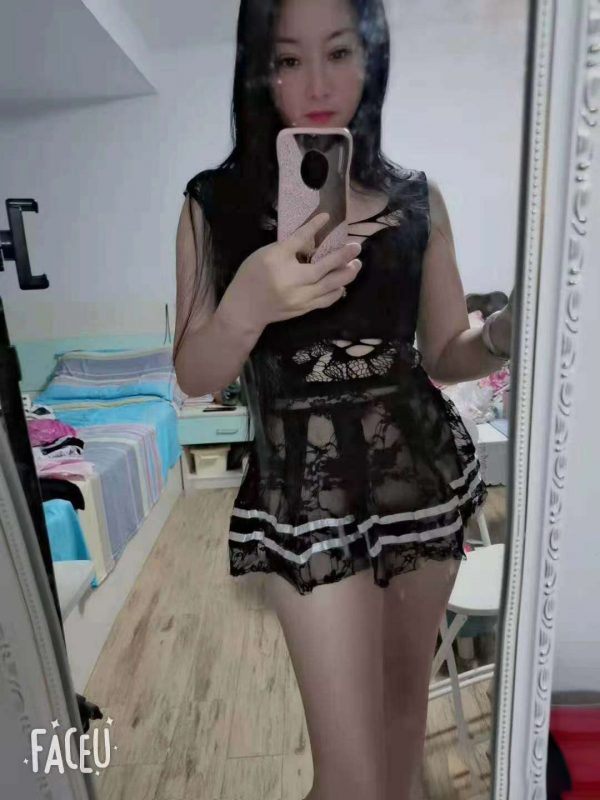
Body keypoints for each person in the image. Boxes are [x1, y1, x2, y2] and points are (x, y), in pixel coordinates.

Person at [173, 1, 513, 798]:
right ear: (260, 71)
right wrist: (249, 301)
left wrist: (503, 332)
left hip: (418, 479)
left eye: (339, 52)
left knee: (400, 740)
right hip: (306, 494)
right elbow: (194, 373)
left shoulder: (418, 201)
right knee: (350, 777)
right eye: (289, 60)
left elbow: (445, 353)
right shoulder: (214, 205)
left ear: (371, 57)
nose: (318, 84)